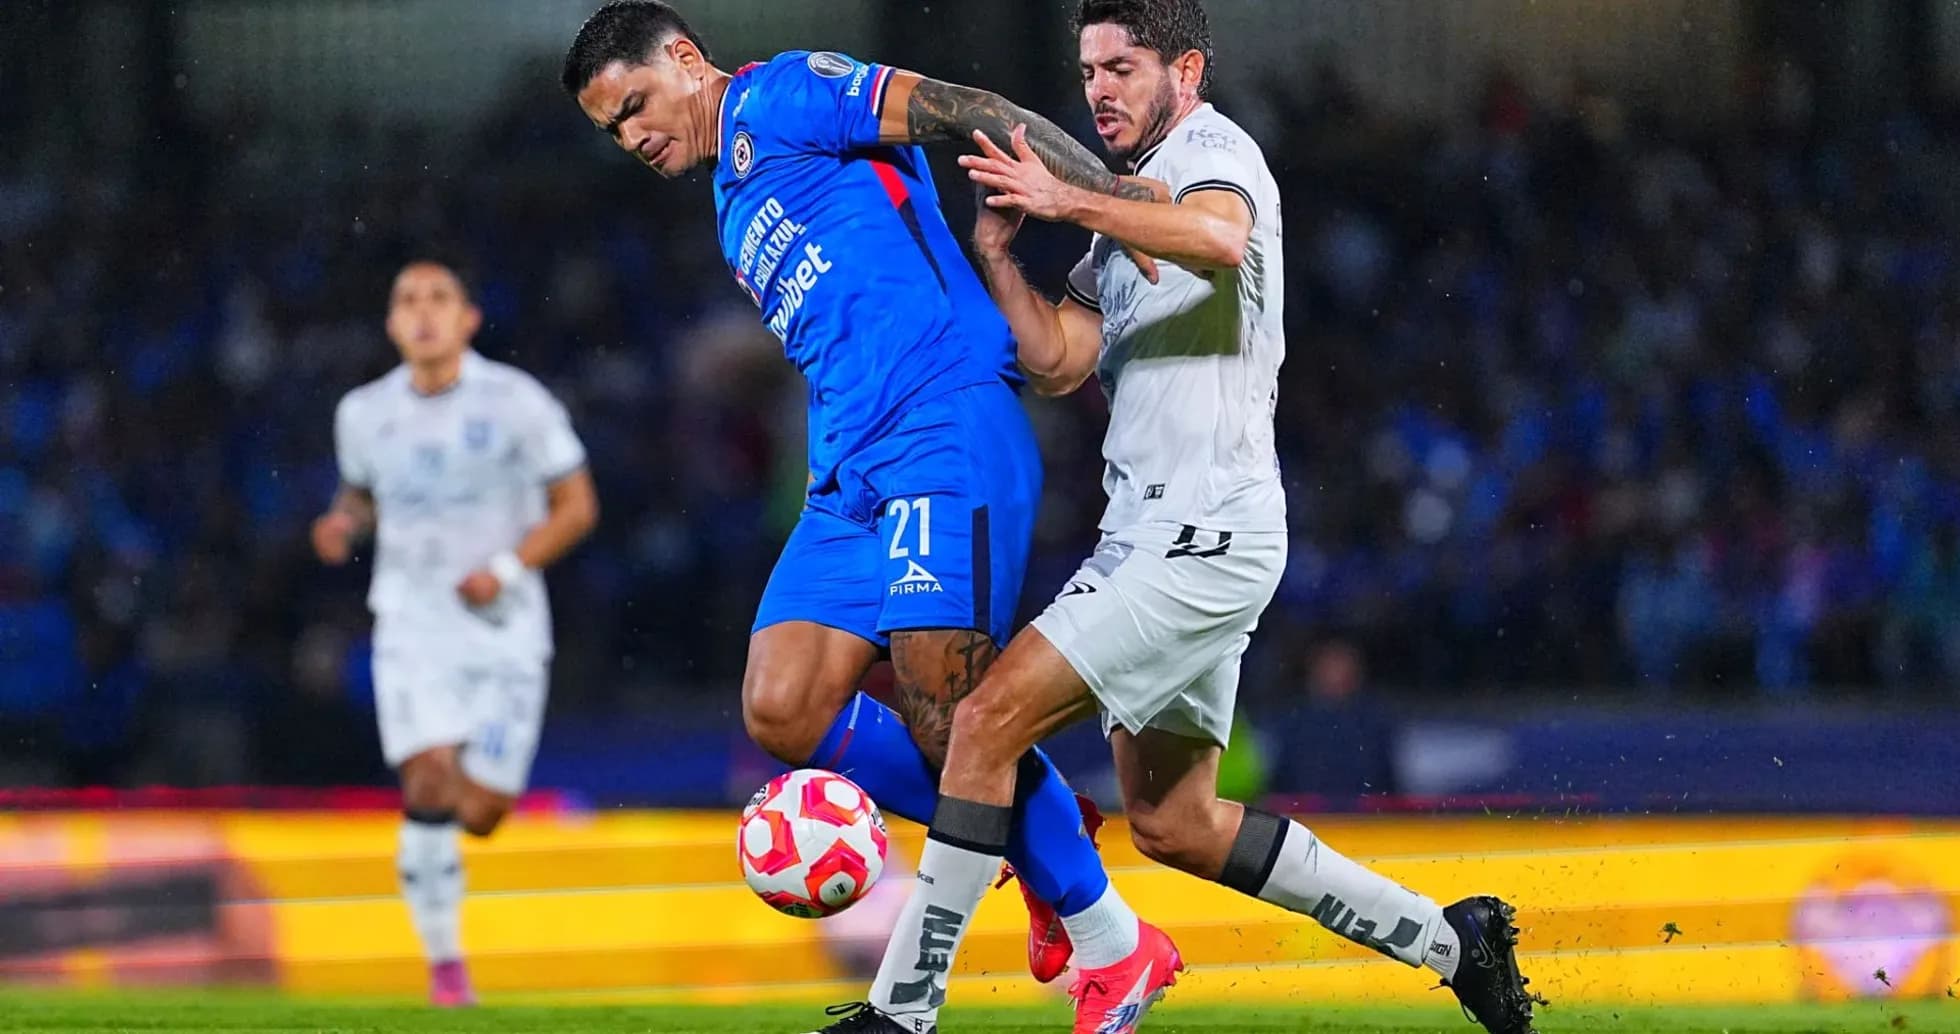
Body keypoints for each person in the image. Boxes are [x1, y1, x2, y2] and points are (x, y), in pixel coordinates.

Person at [859, 2, 1542, 1033]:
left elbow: (1219, 235)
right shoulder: (1119, 201)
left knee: (983, 721)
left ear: (1185, 70)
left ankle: (903, 1010)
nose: (1098, 90)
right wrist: (1002, 254)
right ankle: (1454, 941)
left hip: (1199, 531)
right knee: (1175, 823)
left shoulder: (1216, 154)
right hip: (1164, 532)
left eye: (1122, 67)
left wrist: (1068, 194)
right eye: (1088, 70)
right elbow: (1059, 362)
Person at [559, 0, 1165, 1013]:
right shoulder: (730, 199)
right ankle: (1033, 825)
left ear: (682, 59)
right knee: (782, 705)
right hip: (847, 476)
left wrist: (1103, 195)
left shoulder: (787, 93)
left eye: (633, 107)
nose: (631, 138)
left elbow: (959, 106)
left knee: (945, 706)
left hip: (942, 429)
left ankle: (1107, 937)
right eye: (611, 131)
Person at [312, 259, 600, 1006]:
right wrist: (346, 523)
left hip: (503, 626)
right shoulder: (363, 413)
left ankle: (450, 921)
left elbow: (576, 506)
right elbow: (362, 493)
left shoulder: (516, 402)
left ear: (469, 319)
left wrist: (504, 569)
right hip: (411, 620)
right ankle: (445, 968)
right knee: (428, 774)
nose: (422, 312)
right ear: (390, 323)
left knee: (481, 812)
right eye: (406, 299)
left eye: (438, 298)